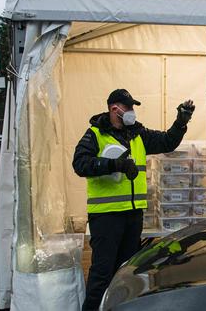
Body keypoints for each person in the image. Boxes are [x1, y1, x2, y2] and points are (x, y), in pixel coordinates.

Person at [72, 89, 195, 311]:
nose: (132, 112)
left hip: (133, 215)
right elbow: (80, 164)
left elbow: (167, 142)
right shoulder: (95, 134)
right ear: (114, 109)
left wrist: (181, 123)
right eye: (128, 107)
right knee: (102, 273)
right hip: (106, 216)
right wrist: (114, 165)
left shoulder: (138, 135)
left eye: (133, 108)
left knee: (127, 270)